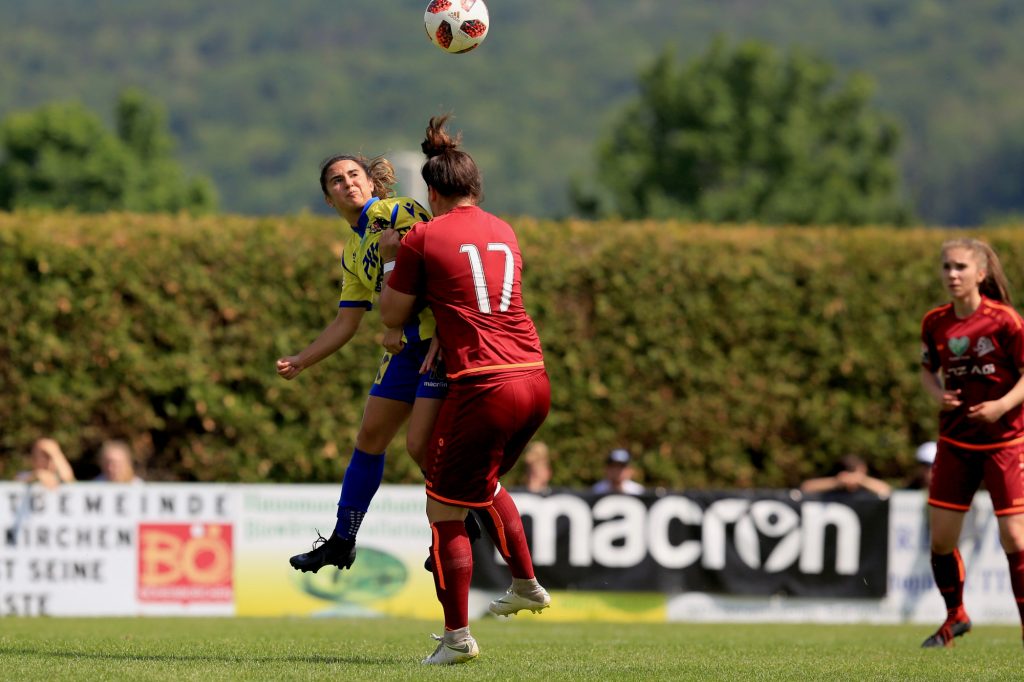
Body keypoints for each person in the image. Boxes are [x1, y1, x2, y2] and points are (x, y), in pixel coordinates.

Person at [379, 114, 551, 665]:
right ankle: (524, 583)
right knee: (481, 483)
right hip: (533, 377)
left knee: (444, 510)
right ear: (475, 188)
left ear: (431, 191)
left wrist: (390, 258)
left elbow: (392, 312)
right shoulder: (505, 230)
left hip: (485, 384)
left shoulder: (425, 234)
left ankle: (457, 639)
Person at [276, 154, 444, 575]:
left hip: (436, 342)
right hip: (405, 349)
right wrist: (302, 360)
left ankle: (458, 532)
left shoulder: (398, 211)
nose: (347, 183)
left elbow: (433, 269)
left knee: (421, 445)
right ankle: (342, 540)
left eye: (354, 175)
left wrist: (400, 319)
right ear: (328, 199)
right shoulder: (352, 252)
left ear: (371, 183)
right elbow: (347, 321)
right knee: (369, 438)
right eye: (336, 181)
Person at [918, 237, 1024, 648]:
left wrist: (1000, 406)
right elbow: (927, 370)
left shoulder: (1005, 321)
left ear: (981, 274)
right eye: (946, 267)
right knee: (941, 540)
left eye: (960, 267)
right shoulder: (935, 322)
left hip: (1006, 442)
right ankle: (955, 616)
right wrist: (936, 394)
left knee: (1015, 538)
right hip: (956, 441)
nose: (952, 275)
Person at [799, 453, 892, 498]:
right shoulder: (835, 486)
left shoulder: (866, 487)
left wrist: (862, 480)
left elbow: (886, 491)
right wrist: (837, 482)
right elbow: (806, 487)